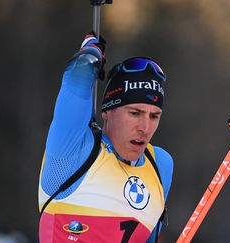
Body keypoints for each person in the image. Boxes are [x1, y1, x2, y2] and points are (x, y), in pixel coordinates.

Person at [38, 32, 173, 243]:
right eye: (134, 113)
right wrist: (91, 50)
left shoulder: (160, 165)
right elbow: (79, 73)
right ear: (107, 111)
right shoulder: (73, 151)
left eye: (154, 116)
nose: (145, 127)